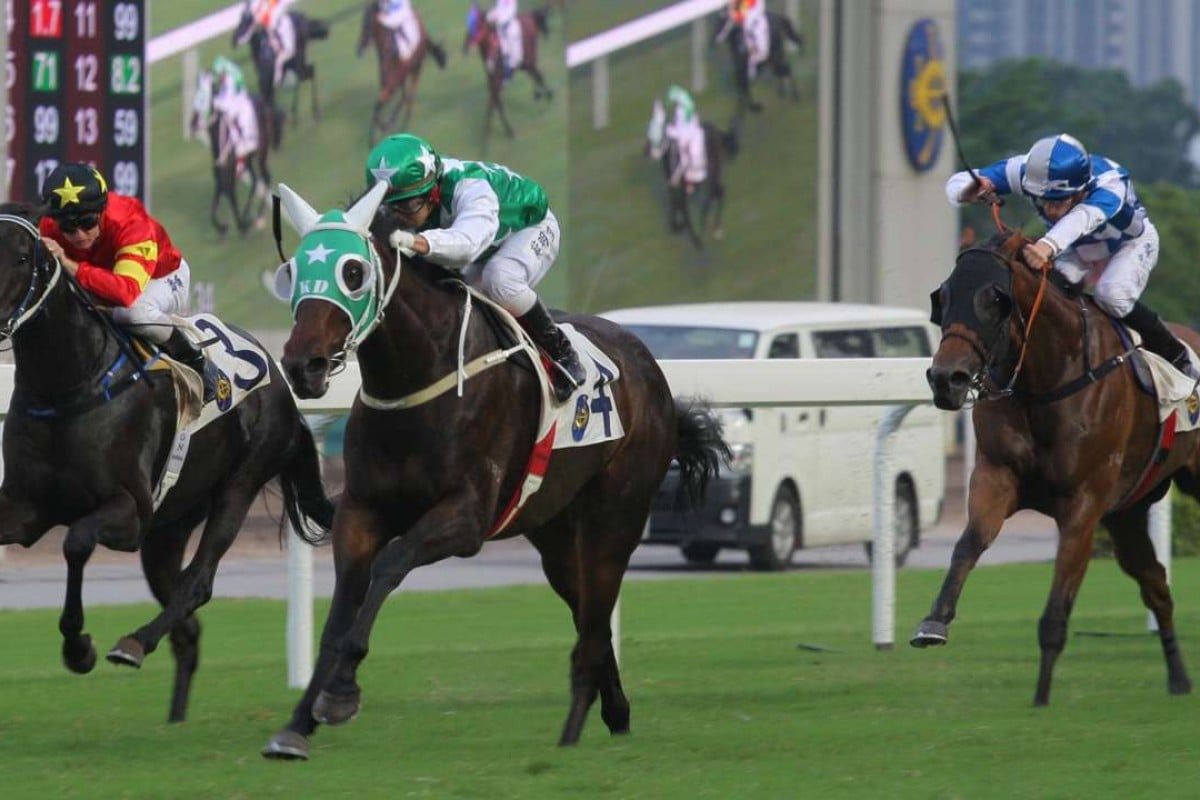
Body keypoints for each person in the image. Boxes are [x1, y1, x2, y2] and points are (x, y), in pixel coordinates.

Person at [947, 132, 1200, 381]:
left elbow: (1084, 218)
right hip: (1076, 249)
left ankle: (1178, 355)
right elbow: (956, 183)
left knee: (1112, 296)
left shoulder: (1110, 183)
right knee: (1047, 294)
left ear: (1080, 190)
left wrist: (1048, 245)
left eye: (1059, 201)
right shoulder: (1025, 171)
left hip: (1128, 244)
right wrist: (969, 190)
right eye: (1043, 200)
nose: (1050, 209)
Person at [364, 132, 586, 403]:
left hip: (529, 228)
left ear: (433, 191)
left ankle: (561, 352)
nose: (399, 217)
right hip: (481, 245)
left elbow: (468, 244)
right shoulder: (411, 194)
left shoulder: (470, 187)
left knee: (499, 279)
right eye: (389, 208)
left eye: (409, 205)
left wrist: (417, 241)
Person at [38, 162, 218, 402]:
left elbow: (125, 292)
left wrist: (69, 264)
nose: (79, 234)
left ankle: (193, 358)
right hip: (103, 280)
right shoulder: (49, 226)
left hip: (161, 278)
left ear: (101, 211)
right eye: (69, 227)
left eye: (88, 222)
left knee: (132, 315)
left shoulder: (131, 222)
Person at [209, 56, 261, 167]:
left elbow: (227, 98)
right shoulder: (229, 74)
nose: (219, 78)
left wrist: (215, 101)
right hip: (236, 100)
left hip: (240, 102)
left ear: (224, 71)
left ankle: (243, 145)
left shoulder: (230, 79)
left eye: (220, 74)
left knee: (230, 121)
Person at [662, 84, 708, 189]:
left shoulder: (684, 109)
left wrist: (669, 130)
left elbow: (681, 132)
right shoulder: (684, 108)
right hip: (691, 134)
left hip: (690, 137)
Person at [249, 0, 296, 89]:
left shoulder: (270, 13)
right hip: (276, 29)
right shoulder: (267, 12)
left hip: (280, 28)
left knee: (280, 58)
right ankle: (277, 79)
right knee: (279, 57)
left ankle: (277, 80)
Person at [729, 0, 769, 80]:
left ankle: (751, 68)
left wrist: (733, 8)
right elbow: (737, 15)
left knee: (760, 52)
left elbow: (738, 14)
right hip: (753, 27)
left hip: (755, 26)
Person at [486, 0, 522, 75]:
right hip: (500, 27)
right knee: (500, 47)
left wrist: (496, 17)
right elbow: (498, 9)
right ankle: (494, 61)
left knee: (516, 56)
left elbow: (510, 13)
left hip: (510, 28)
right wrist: (490, 15)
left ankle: (509, 69)